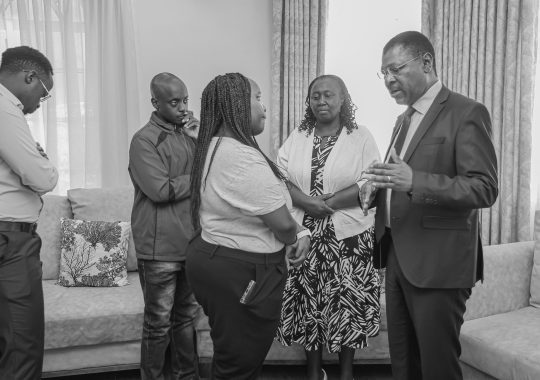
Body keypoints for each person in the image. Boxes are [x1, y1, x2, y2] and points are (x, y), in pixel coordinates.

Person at [364, 31, 498, 380]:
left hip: (439, 264)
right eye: (384, 73)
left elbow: (484, 188)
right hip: (397, 257)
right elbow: (400, 176)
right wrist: (377, 190)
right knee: (404, 364)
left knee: (438, 367)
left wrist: (415, 181)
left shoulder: (466, 112)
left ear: (426, 62)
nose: (389, 80)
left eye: (396, 69)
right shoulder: (402, 120)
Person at [186, 72, 310, 380]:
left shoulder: (213, 145)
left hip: (213, 258)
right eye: (256, 98)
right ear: (237, 104)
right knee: (238, 367)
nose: (263, 107)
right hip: (241, 271)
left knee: (234, 358)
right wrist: (299, 234)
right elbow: (282, 224)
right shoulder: (240, 157)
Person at [275, 74, 381, 380]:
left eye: (329, 95)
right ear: (308, 101)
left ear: (343, 99)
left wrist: (329, 202)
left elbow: (371, 183)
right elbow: (279, 179)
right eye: (316, 96)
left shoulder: (360, 135)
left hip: (349, 237)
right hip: (306, 234)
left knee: (347, 301)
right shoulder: (298, 135)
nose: (322, 101)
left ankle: (346, 372)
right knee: (309, 301)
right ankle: (313, 371)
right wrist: (308, 204)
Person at [128, 72, 200, 380]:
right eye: (174, 102)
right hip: (158, 250)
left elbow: (210, 175)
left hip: (191, 245)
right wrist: (196, 179)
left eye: (185, 100)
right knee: (157, 324)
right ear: (156, 102)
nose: (183, 107)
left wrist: (201, 141)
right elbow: (160, 191)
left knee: (185, 320)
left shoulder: (189, 136)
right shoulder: (144, 140)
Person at [0, 46, 58, 380]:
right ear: (29, 77)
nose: (40, 102)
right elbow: (41, 177)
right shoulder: (7, 109)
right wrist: (45, 164)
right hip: (10, 242)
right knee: (22, 347)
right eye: (44, 93)